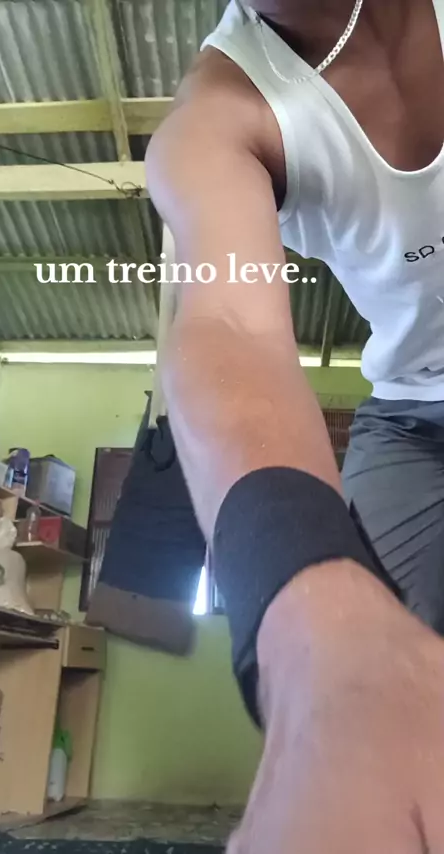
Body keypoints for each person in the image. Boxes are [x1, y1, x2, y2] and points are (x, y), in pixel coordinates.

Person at [146, 0, 444, 850]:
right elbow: (230, 329)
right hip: (407, 421)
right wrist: (318, 629)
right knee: (372, 694)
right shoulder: (221, 117)